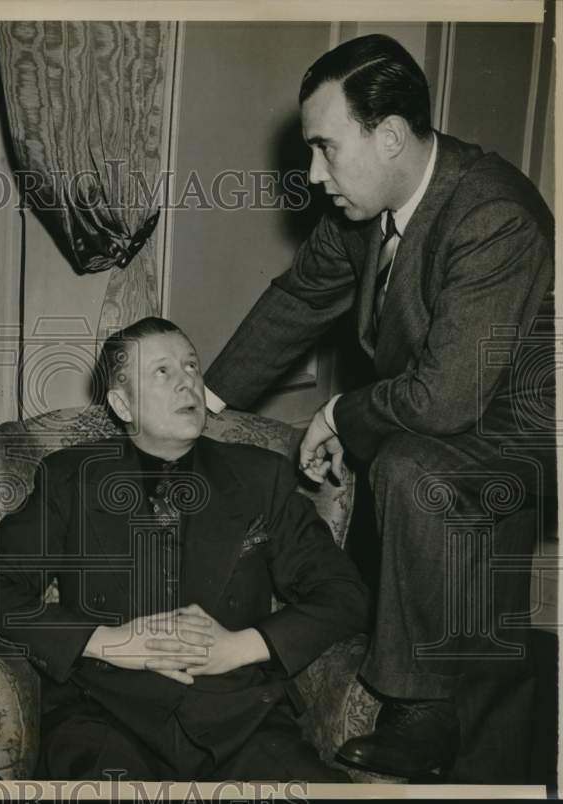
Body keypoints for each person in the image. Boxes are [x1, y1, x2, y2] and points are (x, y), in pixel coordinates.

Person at [203, 35, 555, 780]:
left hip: (516, 436)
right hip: (435, 431)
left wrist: (334, 415)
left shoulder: (494, 214)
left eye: (326, 148)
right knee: (415, 515)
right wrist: (201, 398)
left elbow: (448, 395)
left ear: (389, 136)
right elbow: (299, 298)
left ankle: (419, 708)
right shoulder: (365, 214)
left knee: (407, 472)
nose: (312, 173)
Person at [0, 316, 369, 781]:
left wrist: (241, 647)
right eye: (163, 371)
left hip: (241, 721)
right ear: (122, 404)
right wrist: (109, 642)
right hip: (106, 716)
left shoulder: (259, 477)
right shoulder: (71, 478)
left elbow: (344, 593)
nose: (187, 381)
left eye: (191, 366)